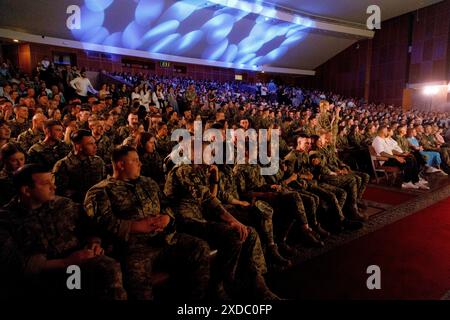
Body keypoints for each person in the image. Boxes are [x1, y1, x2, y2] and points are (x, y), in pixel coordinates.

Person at [84, 146, 211, 300]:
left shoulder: (148, 182)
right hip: (133, 247)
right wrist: (135, 226)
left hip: (164, 238)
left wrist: (167, 218)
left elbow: (166, 205)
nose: (140, 164)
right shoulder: (100, 191)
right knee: (137, 279)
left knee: (199, 247)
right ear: (120, 164)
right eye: (135, 160)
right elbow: (101, 222)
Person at [0, 164, 127, 299]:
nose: (53, 187)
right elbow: (14, 264)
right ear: (26, 190)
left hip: (75, 267)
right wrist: (65, 262)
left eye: (52, 181)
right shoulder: (6, 219)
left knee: (108, 268)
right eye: (46, 183)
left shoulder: (63, 204)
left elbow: (89, 225)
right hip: (42, 275)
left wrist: (94, 242)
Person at [53, 130, 106, 203]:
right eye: (90, 144)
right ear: (77, 146)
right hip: (75, 206)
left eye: (94, 143)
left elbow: (103, 182)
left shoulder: (98, 161)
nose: (95, 146)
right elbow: (60, 192)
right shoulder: (63, 165)